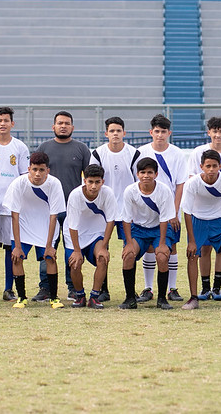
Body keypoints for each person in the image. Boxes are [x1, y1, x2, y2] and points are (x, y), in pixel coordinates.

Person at [35, 111, 92, 302]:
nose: (63, 126)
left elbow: (89, 178)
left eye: (67, 123)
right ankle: (45, 288)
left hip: (72, 209)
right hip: (48, 208)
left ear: (72, 127)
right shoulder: (44, 147)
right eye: (60, 123)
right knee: (48, 247)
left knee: (70, 249)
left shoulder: (82, 149)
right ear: (53, 127)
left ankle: (72, 288)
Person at [181, 150, 221, 310]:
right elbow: (187, 212)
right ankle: (193, 298)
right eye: (208, 166)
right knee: (192, 255)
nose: (211, 169)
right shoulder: (192, 183)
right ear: (201, 166)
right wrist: (191, 240)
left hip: (220, 222)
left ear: (220, 166)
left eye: (214, 166)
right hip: (198, 222)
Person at [186, 116, 221, 301]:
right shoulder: (197, 154)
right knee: (201, 251)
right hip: (199, 216)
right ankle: (200, 291)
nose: (211, 169)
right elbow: (187, 206)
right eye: (214, 131)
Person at [3, 151, 66, 308]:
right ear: (29, 168)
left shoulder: (55, 184)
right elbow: (14, 215)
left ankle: (54, 298)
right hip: (23, 227)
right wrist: (17, 246)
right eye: (35, 169)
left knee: (50, 258)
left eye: (42, 170)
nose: (38, 174)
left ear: (47, 171)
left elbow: (54, 216)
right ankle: (22, 297)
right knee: (16, 258)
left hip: (46, 227)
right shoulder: (18, 184)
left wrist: (50, 245)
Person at [0, 107, 30, 302]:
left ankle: (9, 289)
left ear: (12, 124)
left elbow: (24, 177)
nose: (2, 123)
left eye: (6, 120)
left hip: (11, 208)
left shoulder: (20, 147)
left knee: (11, 249)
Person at [89, 116, 141, 301]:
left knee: (130, 250)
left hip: (128, 210)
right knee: (102, 249)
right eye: (112, 131)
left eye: (118, 131)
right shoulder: (97, 154)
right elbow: (92, 182)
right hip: (105, 211)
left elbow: (139, 182)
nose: (115, 134)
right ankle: (103, 289)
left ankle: (130, 290)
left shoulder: (134, 154)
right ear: (106, 134)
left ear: (124, 133)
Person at [137, 114, 188, 302]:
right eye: (156, 131)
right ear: (151, 132)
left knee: (170, 247)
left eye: (163, 132)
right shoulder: (141, 152)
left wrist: (174, 211)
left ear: (169, 133)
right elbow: (138, 181)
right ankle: (148, 288)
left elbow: (180, 184)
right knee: (150, 246)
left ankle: (172, 288)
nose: (159, 135)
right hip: (147, 207)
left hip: (171, 208)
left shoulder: (177, 154)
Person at [118, 157, 176, 310]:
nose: (146, 176)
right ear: (137, 174)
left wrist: (162, 244)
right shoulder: (130, 191)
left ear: (156, 174)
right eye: (142, 172)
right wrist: (129, 243)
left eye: (150, 172)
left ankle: (162, 299)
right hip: (138, 229)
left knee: (162, 257)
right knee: (128, 256)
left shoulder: (164, 190)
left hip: (159, 229)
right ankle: (130, 298)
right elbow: (126, 219)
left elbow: (165, 219)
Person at [63, 164, 117, 309]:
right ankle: (80, 296)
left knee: (103, 258)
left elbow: (111, 221)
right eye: (90, 182)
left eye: (97, 182)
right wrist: (77, 250)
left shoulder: (108, 193)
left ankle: (94, 297)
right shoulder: (75, 195)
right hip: (74, 234)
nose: (93, 186)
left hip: (95, 233)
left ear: (102, 182)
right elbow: (72, 225)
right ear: (84, 180)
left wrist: (104, 246)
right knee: (75, 263)